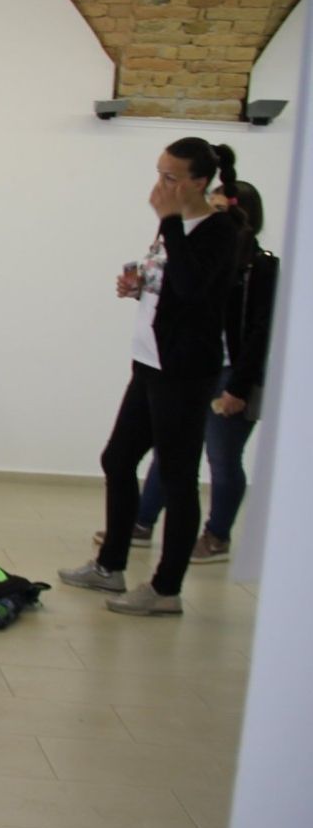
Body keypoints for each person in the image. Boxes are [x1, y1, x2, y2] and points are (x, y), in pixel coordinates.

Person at [60, 138, 242, 616]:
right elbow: (170, 283)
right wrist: (138, 284)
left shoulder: (220, 230)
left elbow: (193, 287)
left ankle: (165, 590)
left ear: (199, 182)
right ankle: (111, 565)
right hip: (150, 362)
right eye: (159, 173)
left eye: (171, 178)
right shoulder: (177, 229)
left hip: (184, 371)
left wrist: (169, 220)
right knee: (118, 459)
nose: (159, 186)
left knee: (179, 478)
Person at [119, 181, 277, 565]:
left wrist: (239, 387)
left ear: (247, 221)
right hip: (187, 368)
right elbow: (181, 302)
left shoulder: (261, 266)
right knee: (169, 452)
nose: (216, 219)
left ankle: (217, 536)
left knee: (222, 458)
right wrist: (140, 289)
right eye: (213, 208)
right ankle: (141, 522)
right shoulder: (196, 256)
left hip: (230, 372)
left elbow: (261, 329)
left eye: (224, 212)